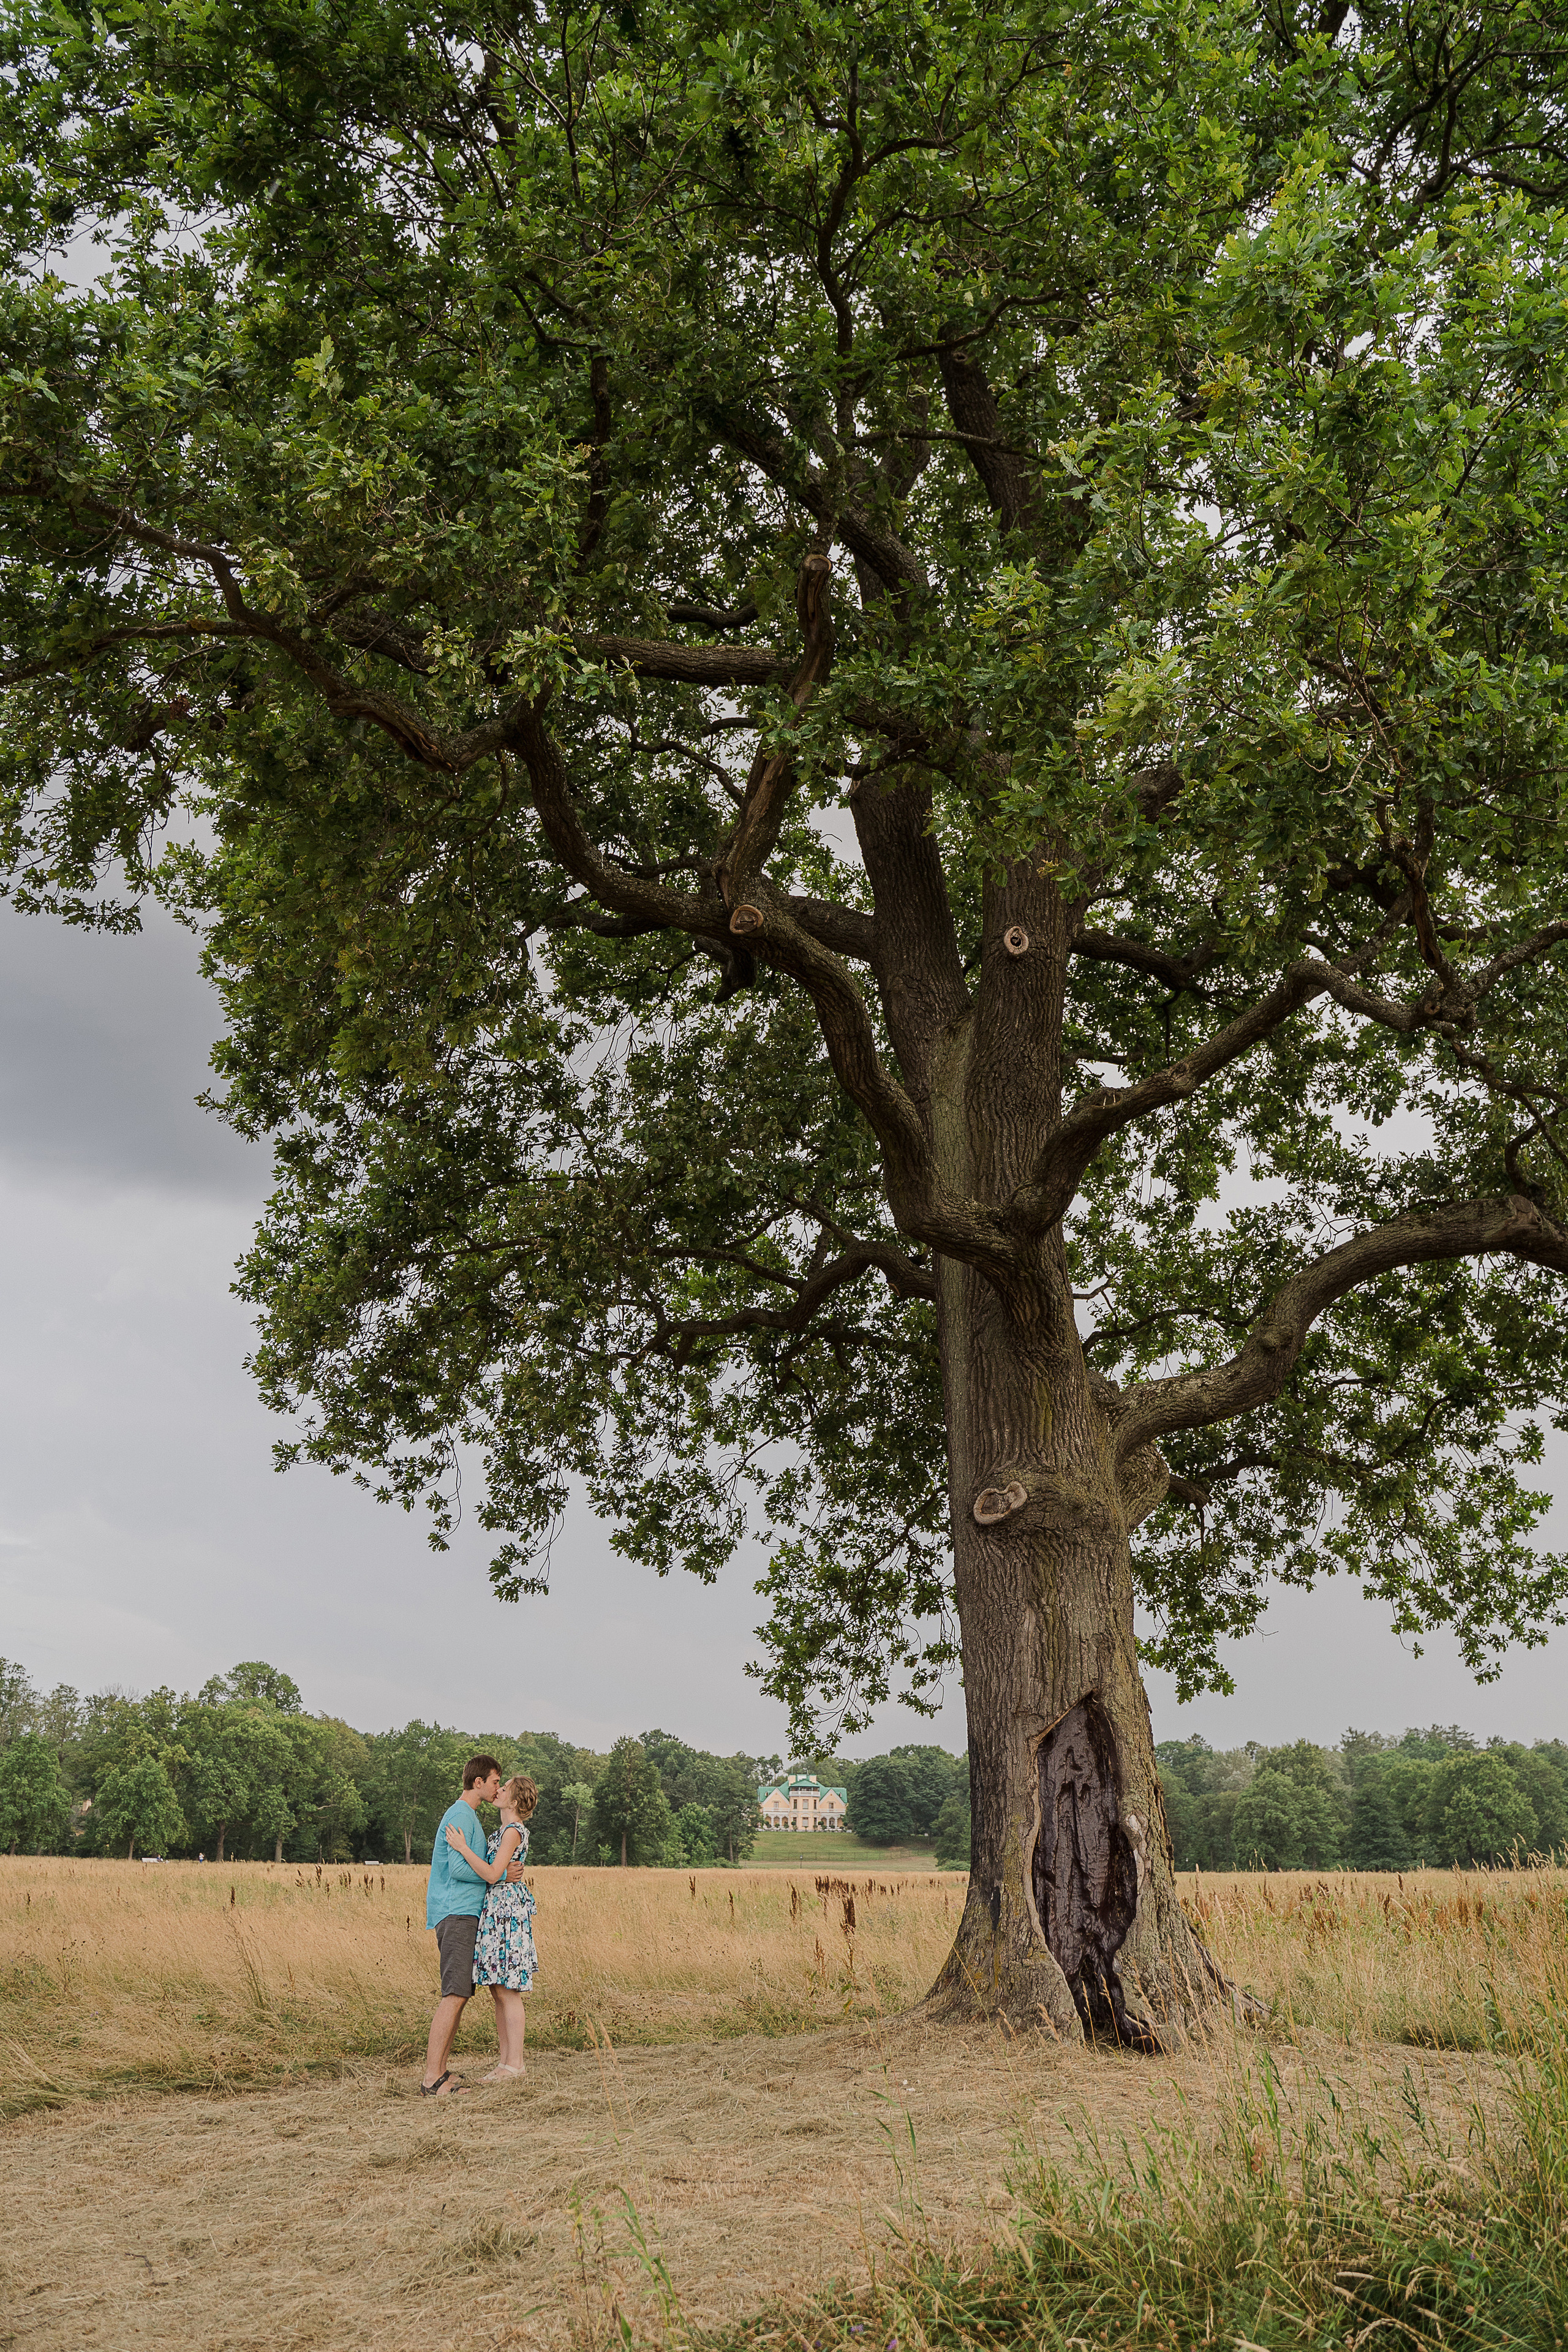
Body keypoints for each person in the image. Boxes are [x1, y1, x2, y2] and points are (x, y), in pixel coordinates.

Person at [420, 1754, 524, 2098]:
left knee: (460, 1993)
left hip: (465, 1913)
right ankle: (432, 2080)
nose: (498, 1788)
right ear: (478, 1783)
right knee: (454, 1994)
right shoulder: (461, 1815)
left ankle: (439, 2074)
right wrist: (500, 1877)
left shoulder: (470, 1817)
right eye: (496, 1781)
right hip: (457, 1913)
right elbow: (457, 1869)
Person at [444, 1773, 540, 2082]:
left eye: (505, 1787)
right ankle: (505, 2063)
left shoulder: (513, 1831)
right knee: (498, 1989)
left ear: (514, 1800)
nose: (497, 1790)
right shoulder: (501, 1831)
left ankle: (516, 2064)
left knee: (509, 1991)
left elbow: (491, 1873)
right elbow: (498, 1873)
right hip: (495, 1910)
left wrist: (461, 1847)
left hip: (506, 1912)